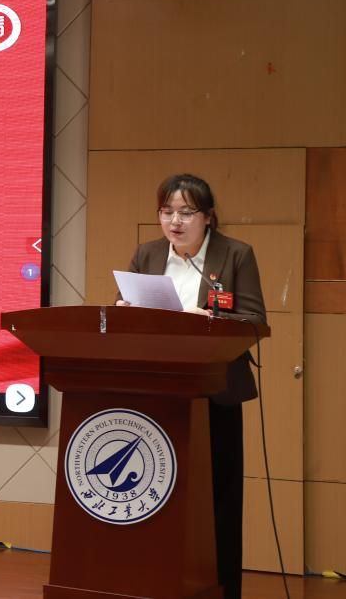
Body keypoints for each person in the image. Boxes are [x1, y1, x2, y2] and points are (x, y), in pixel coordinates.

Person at [117, 173, 265, 599]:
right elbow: (127, 316)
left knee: (216, 498)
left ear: (208, 217)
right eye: (166, 212)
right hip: (157, 392)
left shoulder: (235, 255)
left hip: (214, 391)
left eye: (186, 212)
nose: (174, 222)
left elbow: (255, 322)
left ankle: (221, 588)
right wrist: (124, 311)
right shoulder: (147, 254)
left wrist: (211, 320)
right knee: (158, 492)